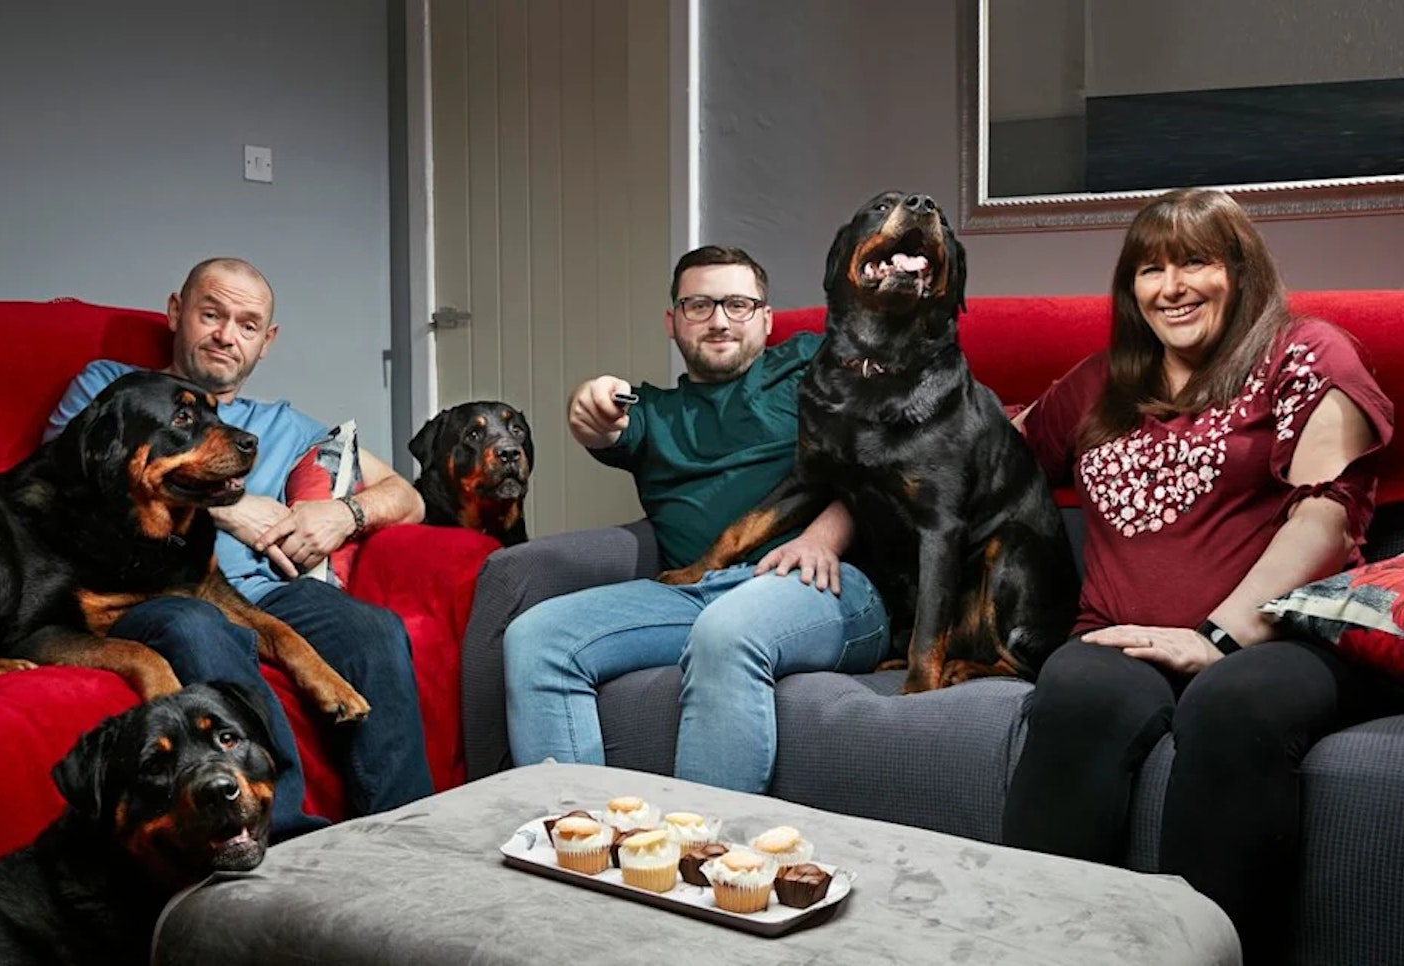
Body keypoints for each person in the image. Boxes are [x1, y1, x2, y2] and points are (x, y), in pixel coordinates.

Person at [999, 188, 1403, 962]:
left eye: (1194, 262)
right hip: (1116, 635)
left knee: (1234, 702)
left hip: (1282, 638)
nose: (1171, 286)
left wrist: (1218, 637)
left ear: (1240, 271)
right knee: (1077, 690)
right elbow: (971, 460)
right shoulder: (1097, 385)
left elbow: (1326, 515)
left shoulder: (1307, 351)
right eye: (1150, 269)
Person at [46, 257, 433, 839]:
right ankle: (281, 837)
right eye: (211, 314)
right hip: (149, 589)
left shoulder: (282, 424)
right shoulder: (113, 387)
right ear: (176, 313)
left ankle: (405, 836)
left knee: (373, 631)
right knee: (200, 625)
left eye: (247, 325)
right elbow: (63, 481)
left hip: (267, 591)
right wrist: (226, 506)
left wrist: (342, 512)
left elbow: (408, 497)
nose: (227, 335)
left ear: (266, 342)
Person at [502, 245, 890, 793]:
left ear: (766, 318)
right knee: (535, 638)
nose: (719, 320)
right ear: (673, 321)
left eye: (738, 304)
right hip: (692, 592)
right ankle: (580, 843)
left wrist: (823, 539)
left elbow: (888, 451)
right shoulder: (651, 412)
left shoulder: (810, 364)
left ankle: (707, 858)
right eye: (699, 305)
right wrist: (585, 401)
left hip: (821, 585)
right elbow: (600, 425)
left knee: (725, 632)